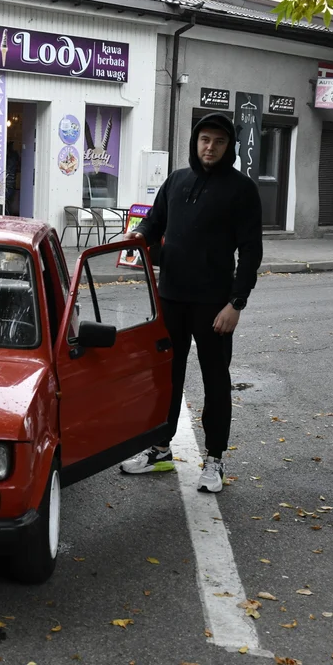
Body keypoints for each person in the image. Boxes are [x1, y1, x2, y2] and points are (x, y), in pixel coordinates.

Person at [112, 112, 263, 493]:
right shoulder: (177, 180)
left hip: (214, 305)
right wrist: (137, 236)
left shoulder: (242, 190)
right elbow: (154, 223)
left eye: (218, 141)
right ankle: (160, 449)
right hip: (171, 298)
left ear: (228, 147)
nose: (209, 147)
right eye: (204, 140)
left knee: (215, 381)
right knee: (166, 376)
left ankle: (214, 459)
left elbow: (251, 252)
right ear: (195, 142)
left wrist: (236, 303)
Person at [5, 142, 20, 215]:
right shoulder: (15, 156)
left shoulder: (7, 156)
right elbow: (18, 166)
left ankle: (6, 216)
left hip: (7, 183)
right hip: (12, 183)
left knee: (5, 204)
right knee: (8, 203)